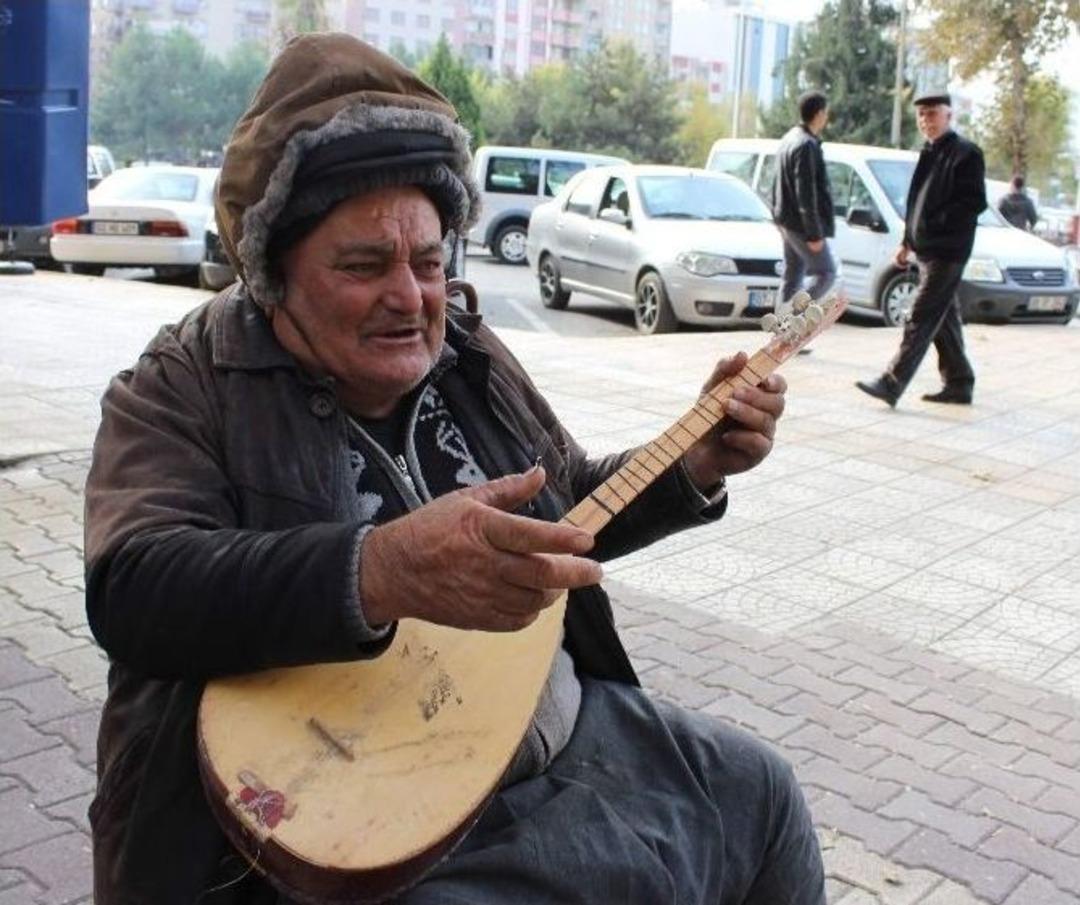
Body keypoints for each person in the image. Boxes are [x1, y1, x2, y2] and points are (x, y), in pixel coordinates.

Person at [83, 34, 824, 905]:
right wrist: (380, 570)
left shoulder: (466, 349)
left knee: (761, 794)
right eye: (364, 265)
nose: (411, 295)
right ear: (271, 273)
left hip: (554, 739)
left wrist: (690, 463)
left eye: (429, 261)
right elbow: (134, 587)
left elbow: (561, 508)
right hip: (342, 825)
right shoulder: (183, 382)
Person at [855, 91, 986, 407]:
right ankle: (959, 382)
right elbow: (917, 204)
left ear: (948, 115)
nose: (926, 120)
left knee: (921, 315)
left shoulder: (966, 153)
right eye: (921, 114)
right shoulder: (929, 151)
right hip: (926, 249)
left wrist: (933, 225)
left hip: (948, 252)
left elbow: (973, 203)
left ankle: (891, 382)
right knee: (943, 320)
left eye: (932, 113)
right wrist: (907, 242)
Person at [772, 90, 837, 309]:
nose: (826, 117)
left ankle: (780, 331)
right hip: (802, 226)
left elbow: (775, 183)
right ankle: (792, 318)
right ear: (819, 114)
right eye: (825, 113)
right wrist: (814, 233)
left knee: (793, 275)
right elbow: (806, 193)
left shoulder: (788, 139)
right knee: (826, 273)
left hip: (787, 222)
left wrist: (777, 219)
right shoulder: (806, 145)